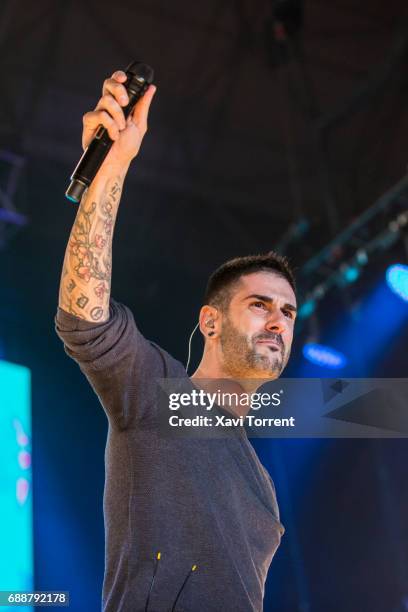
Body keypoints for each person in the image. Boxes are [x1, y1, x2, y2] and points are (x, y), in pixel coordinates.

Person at [55, 69, 297, 612]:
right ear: (209, 322)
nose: (279, 321)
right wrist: (112, 167)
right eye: (259, 305)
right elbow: (85, 319)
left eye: (288, 311)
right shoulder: (160, 395)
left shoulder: (262, 482)